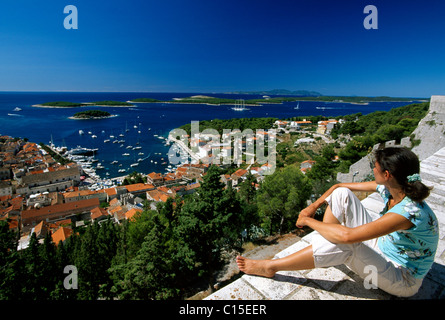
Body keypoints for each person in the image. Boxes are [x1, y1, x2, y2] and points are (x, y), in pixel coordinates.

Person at [236, 147, 439, 297]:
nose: (372, 170)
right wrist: (313, 206)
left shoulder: (407, 212)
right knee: (342, 194)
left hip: (402, 279)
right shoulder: (393, 188)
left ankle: (270, 267)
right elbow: (339, 186)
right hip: (386, 247)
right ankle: (324, 249)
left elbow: (347, 236)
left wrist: (308, 220)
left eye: (374, 167)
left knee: (345, 243)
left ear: (387, 175)